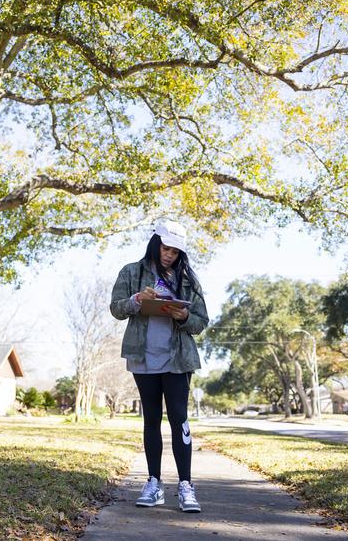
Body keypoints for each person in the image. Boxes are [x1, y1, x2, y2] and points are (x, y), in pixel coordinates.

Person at [110, 220, 209, 513]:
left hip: (178, 360)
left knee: (180, 419)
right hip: (143, 358)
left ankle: (186, 487)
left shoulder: (189, 280)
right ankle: (154, 483)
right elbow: (116, 308)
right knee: (151, 419)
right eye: (166, 248)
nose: (170, 255)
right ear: (156, 243)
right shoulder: (131, 272)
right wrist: (137, 299)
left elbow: (201, 321)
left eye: (176, 252)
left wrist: (182, 316)